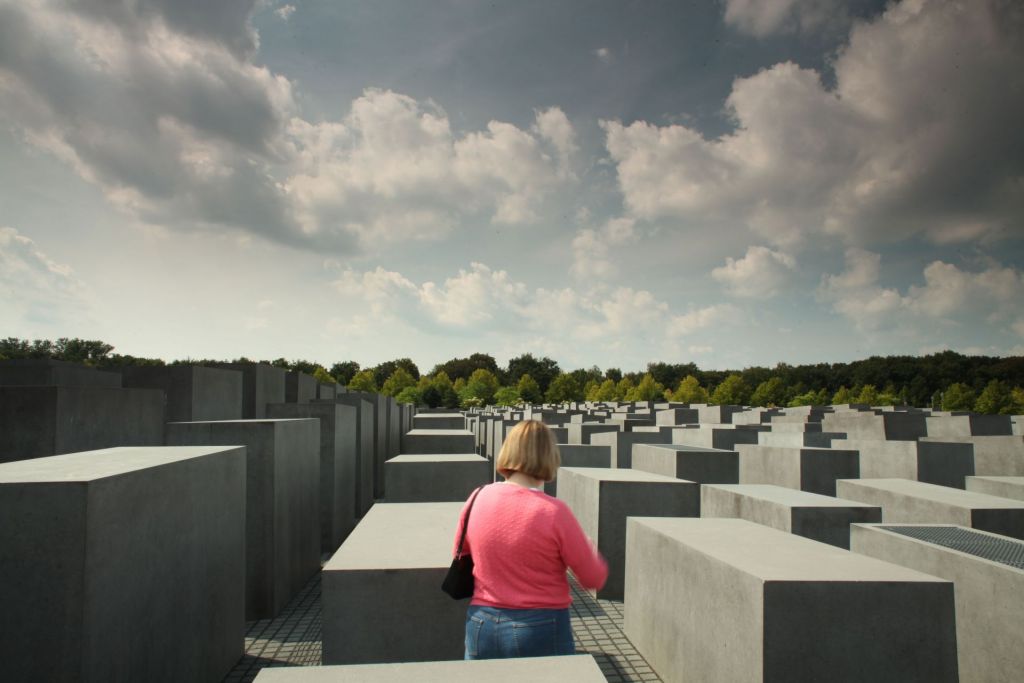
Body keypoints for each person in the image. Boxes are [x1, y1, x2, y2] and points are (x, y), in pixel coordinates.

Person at [453, 419, 608, 660]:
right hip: (541, 627)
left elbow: (461, 552)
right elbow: (593, 577)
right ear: (549, 457)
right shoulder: (554, 512)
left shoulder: (477, 497)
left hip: (481, 623)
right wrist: (587, 545)